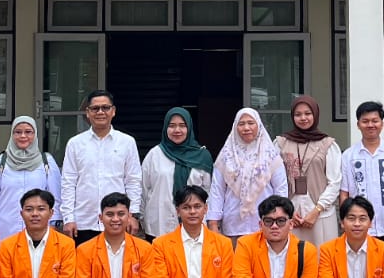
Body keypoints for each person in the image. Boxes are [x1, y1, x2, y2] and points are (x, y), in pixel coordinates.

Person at [58, 90, 142, 243]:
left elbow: (133, 181)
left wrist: (133, 215)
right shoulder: (75, 144)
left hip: (117, 220)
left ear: (113, 111)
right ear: (87, 112)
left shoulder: (127, 142)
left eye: (105, 108)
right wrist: (68, 218)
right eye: (95, 108)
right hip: (83, 221)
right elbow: (68, 183)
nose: (100, 112)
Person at [207, 108, 289, 239]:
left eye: (251, 123)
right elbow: (217, 191)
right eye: (241, 124)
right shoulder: (226, 157)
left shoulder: (271, 156)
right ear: (235, 127)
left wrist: (279, 219)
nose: (246, 128)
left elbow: (281, 189)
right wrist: (213, 223)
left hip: (266, 226)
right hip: (233, 227)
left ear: (259, 125)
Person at [0, 116, 62, 244]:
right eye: (18, 132)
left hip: (40, 230)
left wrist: (54, 224)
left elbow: (56, 197)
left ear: (35, 134)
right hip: (6, 230)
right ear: (12, 135)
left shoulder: (47, 162)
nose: (23, 136)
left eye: (28, 132)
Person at [274, 95, 342, 247]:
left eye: (308, 113)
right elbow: (275, 181)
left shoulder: (328, 144)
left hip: (321, 213)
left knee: (322, 256)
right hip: (290, 213)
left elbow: (335, 182)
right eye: (298, 114)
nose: (303, 118)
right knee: (292, 256)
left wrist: (316, 211)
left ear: (315, 115)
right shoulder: (281, 143)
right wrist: (287, 210)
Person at [339, 101, 384, 242]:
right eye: (365, 121)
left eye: (375, 121)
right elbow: (344, 193)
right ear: (358, 124)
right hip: (359, 229)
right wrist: (345, 223)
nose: (370, 125)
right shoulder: (348, 156)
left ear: (382, 124)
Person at [139, 107, 213, 238]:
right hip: (158, 226)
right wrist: (140, 219)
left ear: (189, 128)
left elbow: (209, 194)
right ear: (165, 128)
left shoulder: (203, 156)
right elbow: (143, 190)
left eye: (182, 125)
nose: (177, 130)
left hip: (194, 229)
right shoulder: (154, 155)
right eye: (172, 126)